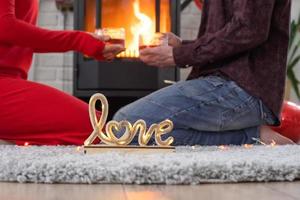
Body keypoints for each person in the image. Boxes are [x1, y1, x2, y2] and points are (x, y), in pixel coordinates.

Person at [113, 0, 297, 145]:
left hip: (242, 89)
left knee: (126, 125)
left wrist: (179, 55)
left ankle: (249, 139)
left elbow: (248, 30)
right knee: (129, 128)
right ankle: (252, 136)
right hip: (224, 83)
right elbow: (233, 33)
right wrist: (184, 46)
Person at [0, 0, 124, 145]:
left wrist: (86, 42)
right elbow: (5, 28)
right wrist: (79, 40)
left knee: (97, 126)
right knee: (96, 128)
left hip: (11, 82)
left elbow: (17, 39)